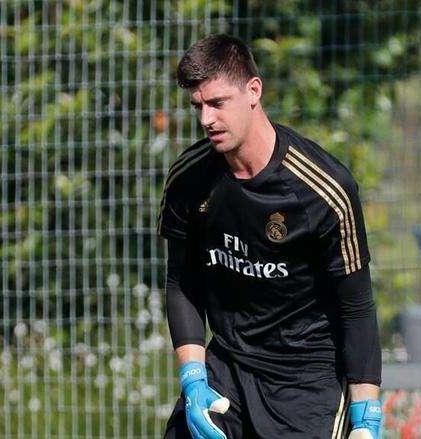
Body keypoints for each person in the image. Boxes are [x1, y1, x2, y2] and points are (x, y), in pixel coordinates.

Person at [158, 34, 382, 439]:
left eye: (218, 103)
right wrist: (193, 378)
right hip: (229, 367)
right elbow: (181, 282)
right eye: (198, 106)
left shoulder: (324, 189)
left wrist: (367, 417)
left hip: (307, 383)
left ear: (254, 91)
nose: (206, 119)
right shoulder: (189, 179)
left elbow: (357, 306)